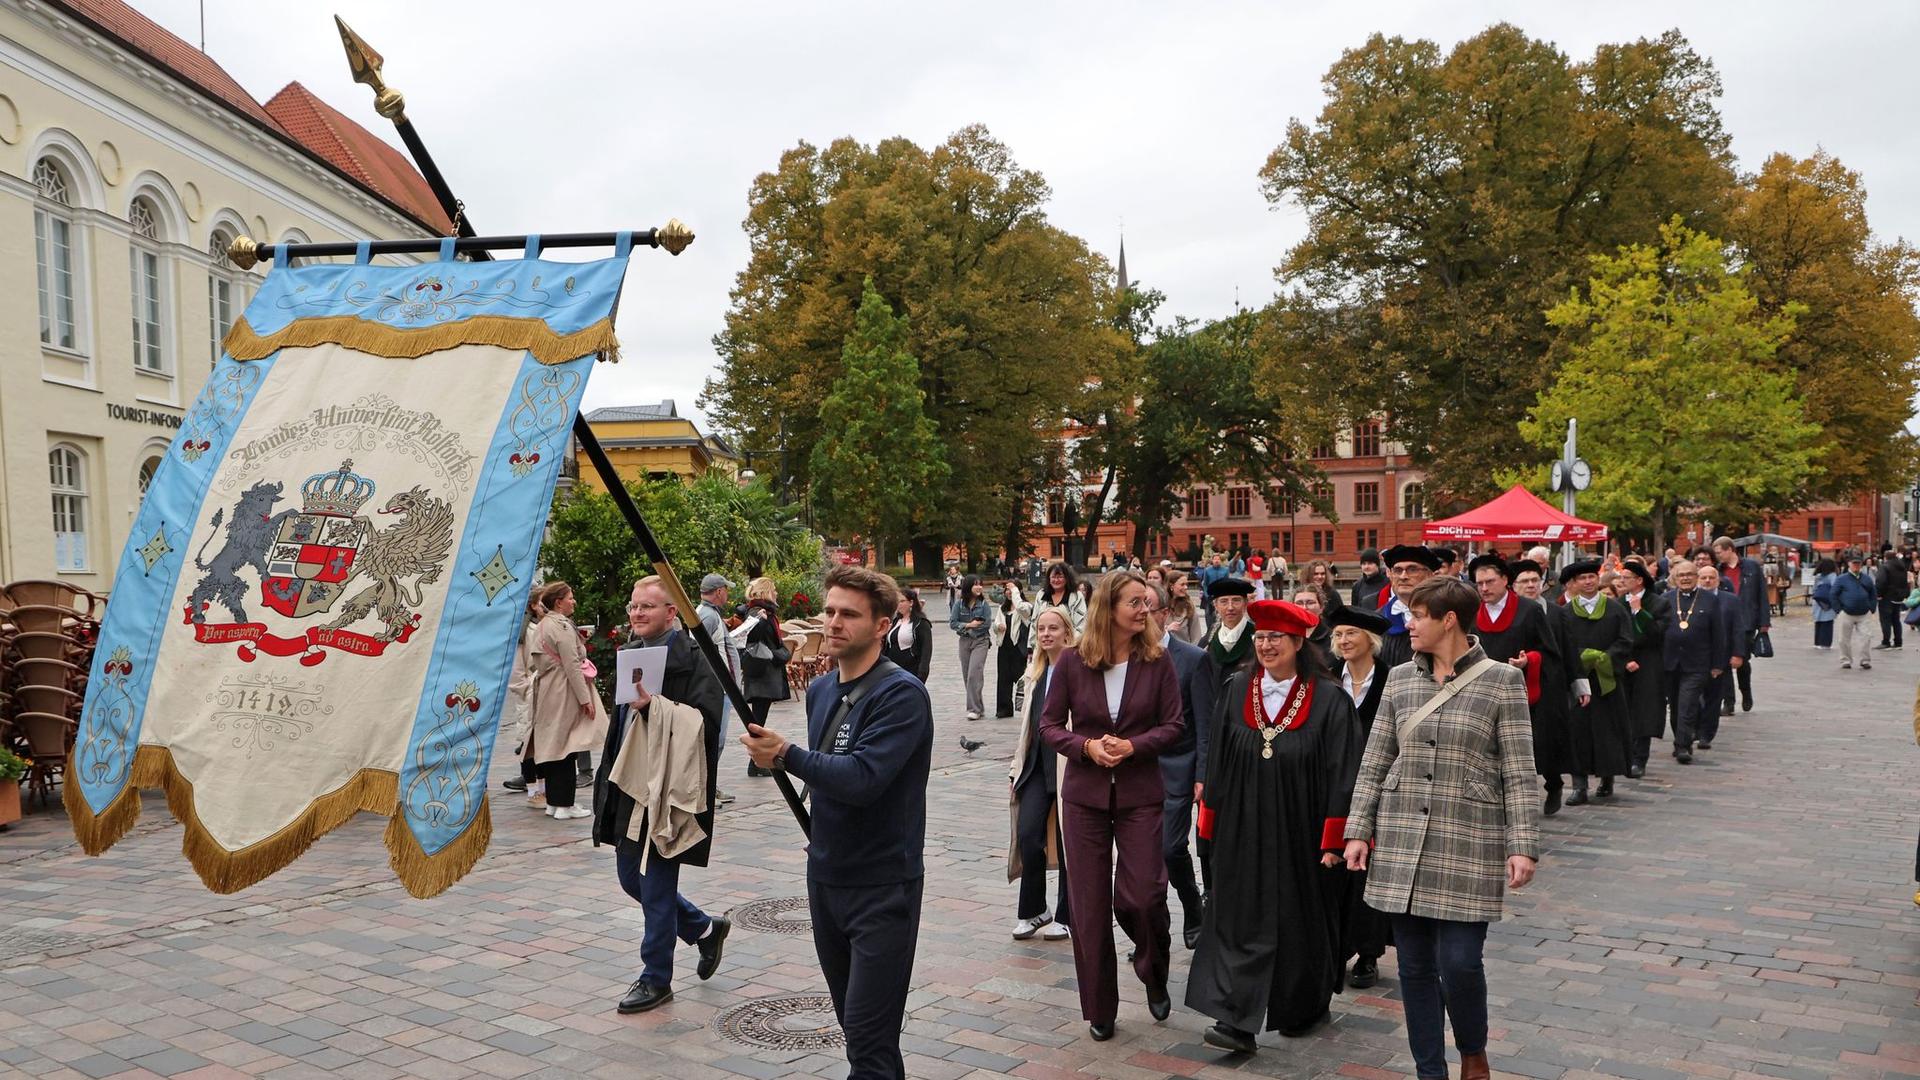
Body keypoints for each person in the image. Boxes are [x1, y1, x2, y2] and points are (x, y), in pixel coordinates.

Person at [1343, 576, 1541, 1080]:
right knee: (1412, 968)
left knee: (1459, 963)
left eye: (1417, 615)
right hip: (1402, 837)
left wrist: (1523, 845)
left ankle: (1473, 1051)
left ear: (1448, 619)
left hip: (1468, 839)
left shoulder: (1501, 680)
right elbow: (1376, 759)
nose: (1407, 624)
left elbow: (1518, 770)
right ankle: (1429, 1070)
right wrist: (1357, 830)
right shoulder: (1401, 679)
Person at [740, 566, 933, 1080]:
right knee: (858, 1033)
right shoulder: (823, 690)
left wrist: (785, 754)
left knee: (869, 1040)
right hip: (826, 879)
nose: (834, 622)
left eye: (849, 614)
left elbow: (863, 778)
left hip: (882, 886)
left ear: (882, 626)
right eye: (830, 611)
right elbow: (828, 783)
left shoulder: (901, 695)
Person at [1187, 599, 1363, 1053]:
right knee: (1238, 918)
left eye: (1275, 638)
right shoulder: (1237, 688)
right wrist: (1209, 828)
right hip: (1242, 831)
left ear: (1299, 643)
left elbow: (1346, 772)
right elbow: (1219, 760)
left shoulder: (1329, 700)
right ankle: (1235, 1019)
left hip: (1301, 833)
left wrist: (1334, 839)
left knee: (1296, 921)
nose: (1265, 645)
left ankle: (1304, 1005)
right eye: (1260, 637)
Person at [1038, 570, 1186, 1042]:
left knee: (1144, 895)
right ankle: (1099, 1006)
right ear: (1109, 608)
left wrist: (1133, 746)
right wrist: (1085, 748)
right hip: (1084, 799)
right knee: (1088, 906)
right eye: (1136, 603)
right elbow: (1049, 726)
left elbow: (1174, 726)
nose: (1145, 610)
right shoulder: (1072, 662)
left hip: (1141, 794)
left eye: (1146, 602)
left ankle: (1153, 968)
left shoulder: (1158, 660)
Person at [596, 576, 730, 1013]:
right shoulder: (631, 653)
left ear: (672, 613)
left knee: (655, 886)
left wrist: (656, 708)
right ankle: (704, 929)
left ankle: (656, 978)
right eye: (633, 607)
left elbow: (707, 726)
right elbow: (618, 725)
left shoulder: (696, 658)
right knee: (630, 879)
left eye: (647, 607)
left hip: (665, 788)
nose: (636, 614)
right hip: (626, 781)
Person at [1468, 555, 1570, 816]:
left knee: (1535, 745)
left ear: (1505, 580)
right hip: (1485, 689)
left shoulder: (1529, 610)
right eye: (1479, 583)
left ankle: (1553, 782)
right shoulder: (1472, 611)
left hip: (1526, 690)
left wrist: (1529, 661)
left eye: (1490, 581)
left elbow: (1549, 651)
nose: (1484, 588)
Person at [1327, 605, 1392, 991]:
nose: (1344, 641)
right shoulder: (1326, 680)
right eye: (1338, 635)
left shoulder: (1391, 680)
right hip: (1334, 786)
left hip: (1377, 786)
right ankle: (1335, 945)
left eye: (1351, 633)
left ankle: (1368, 952)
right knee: (1333, 864)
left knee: (1368, 869)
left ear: (1371, 640)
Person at [1146, 582, 1213, 950]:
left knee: (1171, 848)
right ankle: (1152, 927)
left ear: (1165, 614)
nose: (1141, 613)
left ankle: (1192, 903)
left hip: (1180, 767)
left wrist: (1203, 774)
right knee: (1142, 855)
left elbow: (1205, 723)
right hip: (1138, 768)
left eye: (1149, 606)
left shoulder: (1192, 659)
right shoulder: (1126, 656)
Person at [1008, 608, 1077, 943]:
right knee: (1028, 836)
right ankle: (1035, 910)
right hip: (1036, 764)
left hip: (1067, 765)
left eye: (1053, 628)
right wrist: (1014, 770)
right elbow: (1025, 728)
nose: (1046, 634)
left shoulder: (1079, 667)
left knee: (1069, 845)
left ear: (1067, 632)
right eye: (1041, 629)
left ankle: (1067, 915)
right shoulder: (1035, 671)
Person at [1194, 575, 1257, 902]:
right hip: (1215, 740)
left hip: (1250, 736)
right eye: (1223, 602)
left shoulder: (1258, 639)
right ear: (1215, 606)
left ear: (1246, 603)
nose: (1230, 607)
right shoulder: (1207, 642)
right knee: (1209, 817)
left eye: (1236, 601)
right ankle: (1211, 888)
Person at [528, 582, 608, 821]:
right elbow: (572, 664)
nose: (573, 601)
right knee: (567, 747)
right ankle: (564, 803)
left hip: (549, 688)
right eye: (570, 598)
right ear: (558, 601)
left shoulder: (543, 625)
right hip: (564, 690)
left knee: (555, 744)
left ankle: (555, 802)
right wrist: (585, 698)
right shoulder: (560, 626)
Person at [1558, 560, 1633, 804]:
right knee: (1577, 732)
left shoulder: (1615, 609)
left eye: (1591, 576)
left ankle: (1607, 777)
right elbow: (1562, 644)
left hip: (1607, 681)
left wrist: (1605, 657)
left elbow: (1625, 640)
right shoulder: (1566, 613)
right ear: (1574, 583)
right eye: (1582, 578)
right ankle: (1579, 785)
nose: (1588, 581)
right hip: (1579, 681)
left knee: (1607, 731)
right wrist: (1581, 658)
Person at [1662, 560, 1730, 764]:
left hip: (1698, 661)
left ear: (1696, 576)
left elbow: (1718, 633)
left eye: (1690, 574)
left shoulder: (1709, 600)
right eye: (1681, 575)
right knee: (1675, 705)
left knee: (1688, 703)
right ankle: (1679, 739)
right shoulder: (1665, 599)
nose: (1685, 578)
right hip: (1670, 661)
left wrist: (1718, 664)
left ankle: (1684, 745)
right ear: (1674, 577)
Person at [1616, 562, 1670, 779]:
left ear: (1639, 580)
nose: (1622, 581)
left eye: (1626, 577)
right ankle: (1626, 755)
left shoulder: (1658, 603)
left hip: (1648, 662)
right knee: (1624, 710)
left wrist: (1640, 612)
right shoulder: (1619, 603)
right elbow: (1615, 633)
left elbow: (1658, 633)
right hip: (1624, 662)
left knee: (1644, 711)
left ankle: (1640, 758)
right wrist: (1626, 659)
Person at [736, 579, 793, 775]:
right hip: (762, 672)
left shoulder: (766, 612)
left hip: (766, 672)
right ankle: (755, 763)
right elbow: (750, 638)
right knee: (757, 721)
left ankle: (756, 763)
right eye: (774, 590)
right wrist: (780, 654)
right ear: (766, 591)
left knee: (759, 719)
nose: (776, 593)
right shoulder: (756, 612)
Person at [1712, 537, 1768, 713]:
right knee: (1725, 662)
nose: (1717, 556)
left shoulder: (1751, 567)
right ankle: (1728, 702)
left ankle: (1746, 691)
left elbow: (1762, 594)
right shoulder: (1718, 571)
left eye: (1719, 552)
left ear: (1730, 549)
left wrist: (1764, 622)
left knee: (1742, 661)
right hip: (1723, 621)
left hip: (1746, 620)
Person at [697, 574, 744, 784]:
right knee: (716, 740)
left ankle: (708, 786)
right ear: (718, 592)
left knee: (716, 739)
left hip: (719, 687)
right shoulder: (708, 616)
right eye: (726, 589)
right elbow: (699, 650)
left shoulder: (707, 614)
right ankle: (705, 787)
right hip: (718, 687)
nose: (728, 593)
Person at [502, 595, 546, 804]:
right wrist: (526, 689)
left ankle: (544, 790)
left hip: (545, 692)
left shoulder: (543, 626)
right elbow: (517, 669)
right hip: (531, 692)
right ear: (533, 605)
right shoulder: (524, 630)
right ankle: (532, 792)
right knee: (528, 743)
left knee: (544, 744)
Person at [1375, 545, 1442, 671]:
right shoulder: (1376, 620)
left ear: (1430, 575)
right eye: (1398, 570)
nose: (1403, 576)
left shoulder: (1444, 617)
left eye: (1412, 569)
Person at [949, 575, 993, 720]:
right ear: (968, 587)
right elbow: (953, 623)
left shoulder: (984, 605)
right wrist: (968, 625)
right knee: (967, 675)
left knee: (975, 673)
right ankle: (979, 707)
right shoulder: (959, 604)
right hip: (964, 642)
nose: (979, 587)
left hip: (981, 641)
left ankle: (973, 709)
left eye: (980, 584)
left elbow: (986, 624)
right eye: (976, 585)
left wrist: (970, 629)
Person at [992, 580, 1035, 718]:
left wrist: (1016, 591)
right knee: (1003, 678)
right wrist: (998, 627)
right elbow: (995, 624)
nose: (1009, 592)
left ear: (1019, 591)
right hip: (1004, 646)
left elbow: (1023, 609)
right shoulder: (1002, 608)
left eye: (1012, 589)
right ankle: (1004, 708)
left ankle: (1027, 706)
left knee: (1023, 678)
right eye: (1007, 589)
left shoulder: (1025, 607)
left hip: (1019, 648)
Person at [881, 588, 932, 682]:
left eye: (902, 601)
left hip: (911, 668)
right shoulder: (896, 621)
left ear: (911, 602)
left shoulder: (921, 623)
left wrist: (922, 673)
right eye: (897, 602)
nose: (899, 605)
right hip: (892, 667)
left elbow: (926, 650)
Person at [1291, 585, 1338, 669]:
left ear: (1321, 607)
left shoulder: (1333, 638)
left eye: (1310, 603)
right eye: (1299, 603)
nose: (1304, 608)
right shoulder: (1286, 636)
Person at [1036, 561, 1088, 634]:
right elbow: (1034, 622)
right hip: (1044, 641)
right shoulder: (1041, 594)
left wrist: (1071, 643)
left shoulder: (1076, 596)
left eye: (1060, 577)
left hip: (1069, 642)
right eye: (1053, 577)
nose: (1056, 580)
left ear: (1067, 578)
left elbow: (1081, 625)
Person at [1878, 551, 1911, 651]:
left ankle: (1886, 642)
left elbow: (1881, 581)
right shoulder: (1902, 566)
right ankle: (1898, 642)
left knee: (1885, 620)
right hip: (1898, 597)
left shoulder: (1885, 566)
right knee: (1896, 620)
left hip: (1887, 597)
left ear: (1885, 557)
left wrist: (1879, 594)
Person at [1165, 573, 1206, 645]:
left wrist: (1194, 652)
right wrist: (1167, 629)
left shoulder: (1188, 605)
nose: (1186, 587)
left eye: (1186, 584)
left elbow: (1196, 634)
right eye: (1182, 584)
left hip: (1184, 651)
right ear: (1171, 586)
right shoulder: (1161, 605)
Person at [1810, 558, 1838, 649]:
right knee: (1827, 622)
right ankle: (1825, 643)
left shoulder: (1818, 576)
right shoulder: (1832, 576)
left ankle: (1817, 642)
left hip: (1818, 602)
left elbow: (1814, 589)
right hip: (1828, 602)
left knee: (1818, 622)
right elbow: (1835, 588)